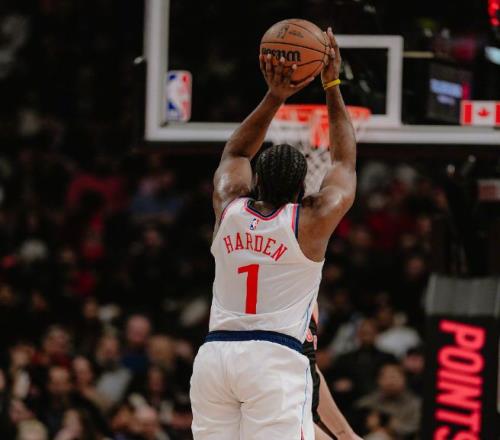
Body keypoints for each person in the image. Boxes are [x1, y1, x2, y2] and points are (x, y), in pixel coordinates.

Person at [190, 27, 359, 439]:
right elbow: (344, 164)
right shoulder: (311, 221)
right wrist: (331, 85)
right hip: (273, 358)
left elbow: (235, 151)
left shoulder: (229, 207)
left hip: (214, 357)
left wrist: (275, 95)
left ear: (255, 181)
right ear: (304, 188)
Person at [303, 304, 361, 440]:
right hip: (278, 415)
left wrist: (346, 434)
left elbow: (310, 371)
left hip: (299, 420)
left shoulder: (311, 305)